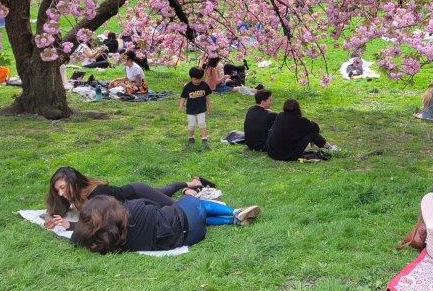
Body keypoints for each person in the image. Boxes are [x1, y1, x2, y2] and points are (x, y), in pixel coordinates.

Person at [63, 195, 261, 253]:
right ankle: (232, 212)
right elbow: (157, 204)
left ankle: (233, 221)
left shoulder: (107, 241)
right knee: (194, 203)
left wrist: (72, 226)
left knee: (193, 217)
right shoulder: (134, 207)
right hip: (188, 221)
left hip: (188, 238)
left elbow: (76, 238)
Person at [43, 166, 211, 227]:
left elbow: (99, 222)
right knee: (165, 190)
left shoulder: (97, 194)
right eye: (57, 190)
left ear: (74, 182)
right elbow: (56, 208)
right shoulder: (72, 195)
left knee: (179, 207)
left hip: (138, 193)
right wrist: (51, 217)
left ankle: (191, 189)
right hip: (134, 193)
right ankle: (191, 183)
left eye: (63, 188)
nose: (61, 193)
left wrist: (70, 226)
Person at [266, 99, 338, 161]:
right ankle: (330, 147)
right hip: (286, 155)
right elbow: (315, 128)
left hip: (272, 152)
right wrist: (308, 122)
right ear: (298, 108)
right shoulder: (300, 120)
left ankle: (326, 147)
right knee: (313, 134)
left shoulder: (280, 116)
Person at [180, 66, 212, 148]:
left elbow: (207, 97)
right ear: (191, 78)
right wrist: (181, 105)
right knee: (191, 125)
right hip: (191, 110)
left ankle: (204, 139)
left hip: (201, 109)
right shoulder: (187, 87)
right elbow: (183, 97)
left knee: (202, 123)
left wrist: (209, 106)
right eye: (195, 79)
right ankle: (191, 138)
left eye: (199, 79)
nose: (197, 81)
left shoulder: (204, 85)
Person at [243, 86, 276, 151]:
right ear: (263, 101)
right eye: (270, 100)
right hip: (262, 145)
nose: (271, 102)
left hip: (249, 144)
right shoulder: (270, 115)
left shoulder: (250, 110)